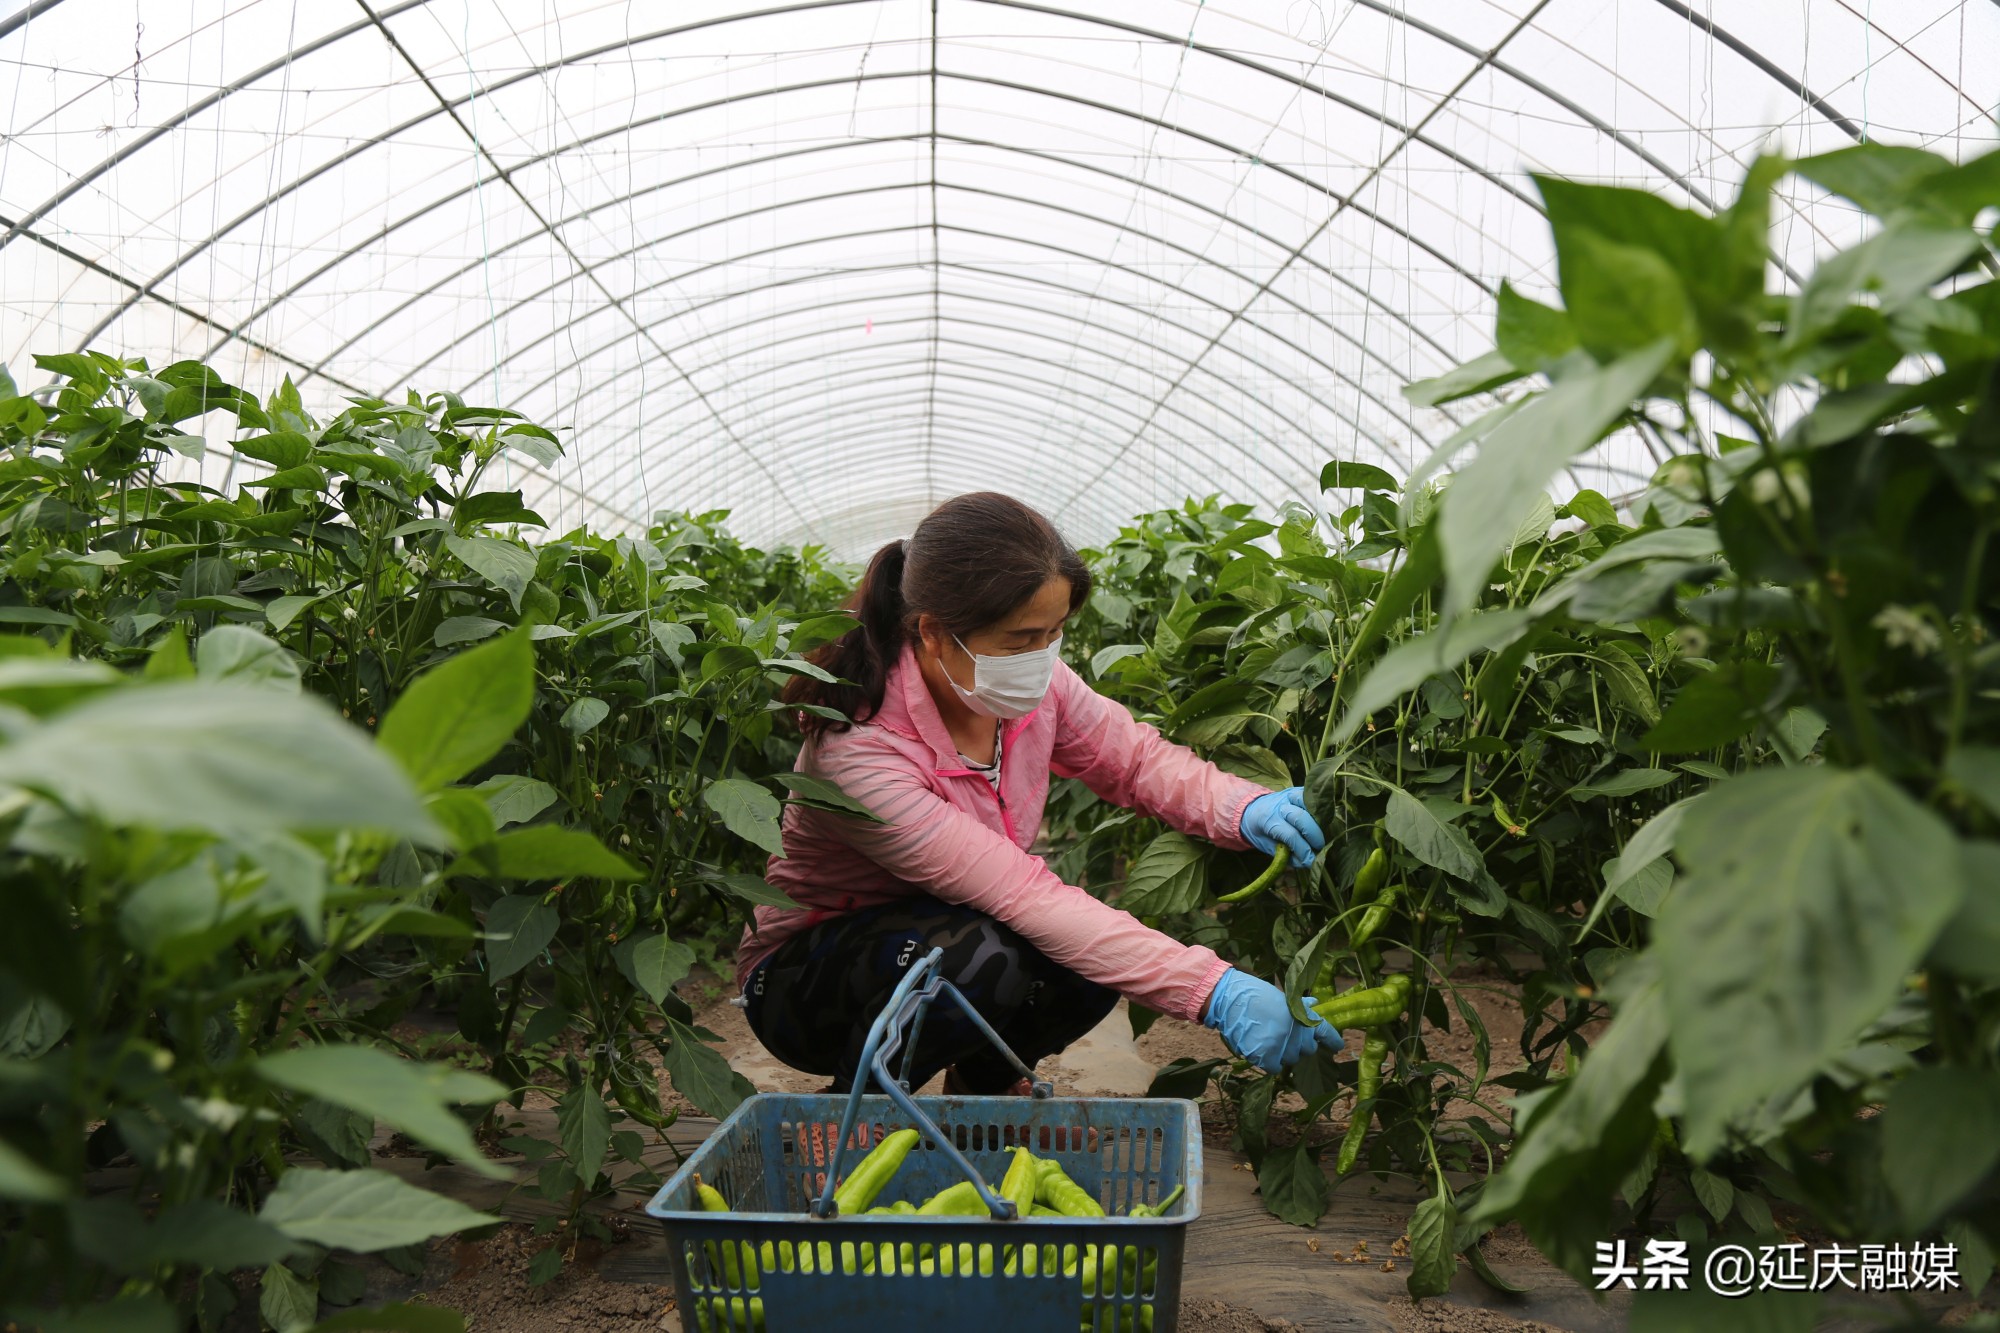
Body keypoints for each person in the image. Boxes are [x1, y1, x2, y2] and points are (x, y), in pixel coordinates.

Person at [735, 492, 1342, 1094]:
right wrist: (1214, 991)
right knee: (984, 956)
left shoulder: (1026, 684)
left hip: (943, 931)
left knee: (1091, 960)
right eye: (1021, 638)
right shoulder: (859, 754)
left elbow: (1131, 759)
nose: (1041, 656)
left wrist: (1243, 807)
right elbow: (1020, 893)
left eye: (1053, 633)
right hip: (807, 983)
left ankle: (982, 1091)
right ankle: (853, 1109)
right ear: (933, 633)